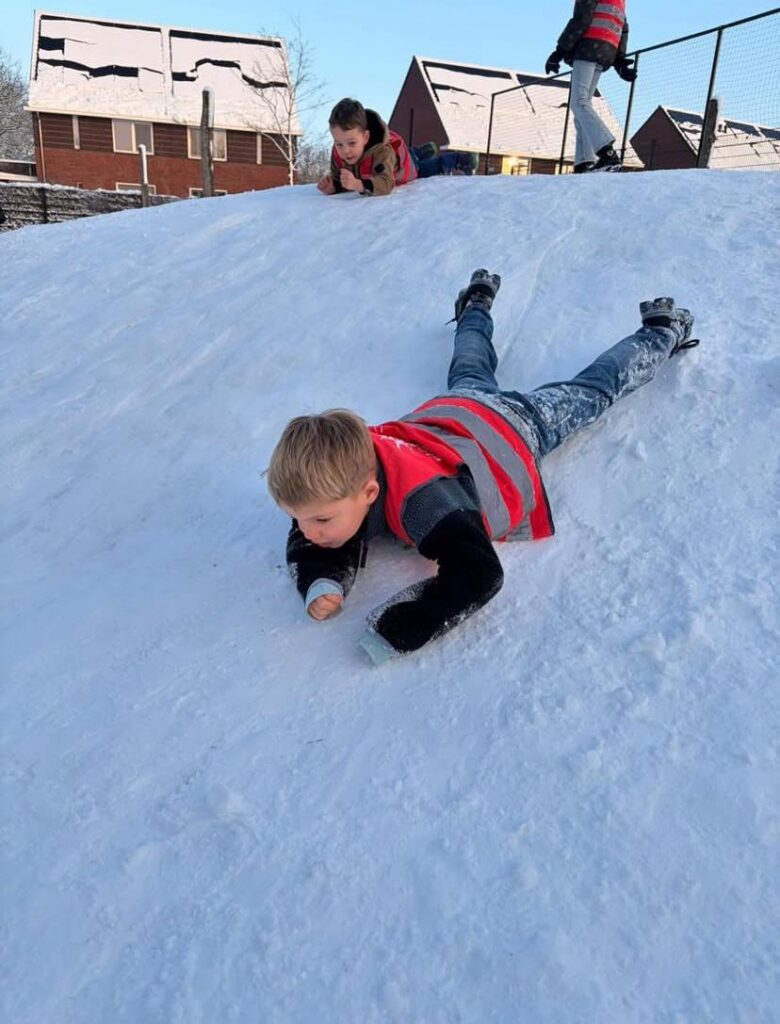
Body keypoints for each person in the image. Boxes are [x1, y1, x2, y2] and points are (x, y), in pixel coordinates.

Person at [267, 270, 698, 665]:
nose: (307, 532)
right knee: (469, 366)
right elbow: (324, 529)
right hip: (455, 411)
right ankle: (476, 303)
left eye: (318, 520)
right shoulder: (343, 470)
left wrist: (398, 628)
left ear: (370, 493)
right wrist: (322, 579)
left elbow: (479, 574)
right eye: (299, 518)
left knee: (591, 389)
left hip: (515, 424)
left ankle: (662, 332)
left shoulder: (427, 501)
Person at [317, 97, 477, 198]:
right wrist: (334, 186)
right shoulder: (338, 153)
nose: (345, 150)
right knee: (410, 153)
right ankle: (422, 150)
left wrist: (358, 185)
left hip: (404, 168)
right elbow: (341, 180)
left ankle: (460, 159)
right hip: (398, 156)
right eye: (339, 144)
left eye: (352, 143)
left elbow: (386, 183)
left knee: (425, 167)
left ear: (365, 137)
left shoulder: (381, 152)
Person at [545, 1, 637, 173]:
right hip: (605, 51)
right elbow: (623, 28)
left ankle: (607, 153)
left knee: (578, 102)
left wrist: (559, 51)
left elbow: (582, 19)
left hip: (588, 46)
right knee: (584, 103)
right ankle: (584, 162)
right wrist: (620, 61)